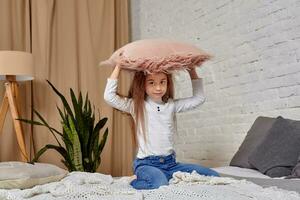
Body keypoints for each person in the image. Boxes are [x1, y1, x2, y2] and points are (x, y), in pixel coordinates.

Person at [104, 65, 219, 190]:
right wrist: (118, 67)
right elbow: (109, 97)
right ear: (143, 84)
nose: (158, 87)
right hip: (147, 164)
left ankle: (165, 176)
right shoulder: (136, 106)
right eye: (152, 83)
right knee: (159, 184)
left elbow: (199, 98)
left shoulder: (171, 105)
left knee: (213, 175)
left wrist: (192, 71)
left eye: (162, 82)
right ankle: (133, 181)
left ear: (167, 83)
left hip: (171, 164)